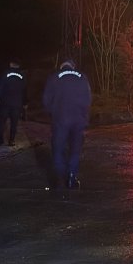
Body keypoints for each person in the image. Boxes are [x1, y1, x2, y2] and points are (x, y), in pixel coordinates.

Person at [43, 58, 92, 189]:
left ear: (61, 66)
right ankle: (71, 176)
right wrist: (84, 115)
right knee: (75, 149)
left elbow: (46, 100)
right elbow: (88, 99)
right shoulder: (82, 77)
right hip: (78, 120)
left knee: (58, 148)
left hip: (61, 119)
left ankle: (60, 175)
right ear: (73, 67)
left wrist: (53, 112)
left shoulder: (54, 77)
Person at [0, 59, 26, 146]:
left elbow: (0, 86)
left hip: (5, 102)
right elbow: (24, 89)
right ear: (19, 65)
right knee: (14, 123)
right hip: (17, 103)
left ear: (11, 64)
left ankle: (0, 139)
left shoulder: (5, 73)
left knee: (2, 121)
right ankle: (11, 140)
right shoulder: (22, 75)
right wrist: (25, 102)